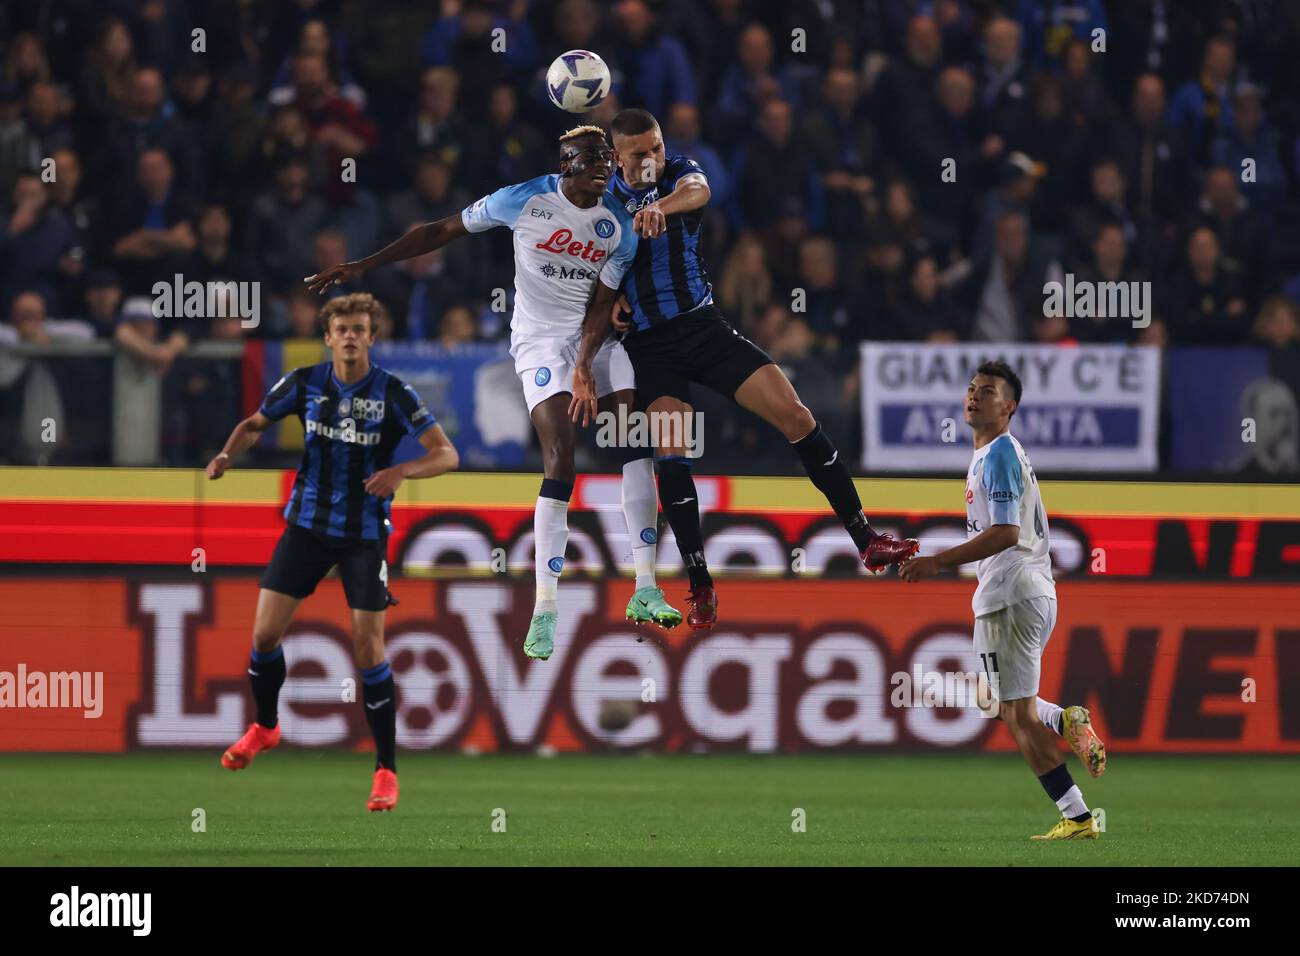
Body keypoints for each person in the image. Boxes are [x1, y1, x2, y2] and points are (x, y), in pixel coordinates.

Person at [305, 126, 682, 662]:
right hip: (538, 344)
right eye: (595, 159)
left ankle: (645, 586)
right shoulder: (524, 199)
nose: (606, 168)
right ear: (568, 161)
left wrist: (584, 365)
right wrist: (364, 264)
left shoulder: (617, 225)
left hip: (592, 341)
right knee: (560, 459)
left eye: (609, 159)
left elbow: (602, 304)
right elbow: (439, 230)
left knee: (634, 438)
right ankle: (545, 607)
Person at [570, 108, 920, 631]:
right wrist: (604, 315)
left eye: (657, 146)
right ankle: (700, 583)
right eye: (640, 152)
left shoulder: (678, 174)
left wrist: (658, 207)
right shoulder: (600, 204)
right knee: (673, 452)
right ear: (618, 158)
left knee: (795, 415)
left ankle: (866, 539)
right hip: (651, 347)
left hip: (704, 327)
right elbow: (592, 278)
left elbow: (700, 192)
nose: (653, 158)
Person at [207, 293, 458, 812]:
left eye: (359, 328)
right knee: (264, 635)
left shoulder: (394, 392)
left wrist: (400, 471)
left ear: (372, 336)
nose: (349, 336)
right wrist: (228, 453)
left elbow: (445, 453)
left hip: (365, 532)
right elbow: (255, 423)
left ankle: (386, 771)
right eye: (341, 328)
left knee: (368, 650)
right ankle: (266, 726)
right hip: (306, 527)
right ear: (327, 337)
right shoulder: (304, 383)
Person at [899, 361, 1107, 840]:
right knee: (995, 700)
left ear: (1009, 406)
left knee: (1015, 715)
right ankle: (1064, 718)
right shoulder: (994, 454)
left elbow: (1007, 532)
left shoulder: (999, 455)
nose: (974, 396)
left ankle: (1077, 817)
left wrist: (938, 562)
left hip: (1010, 596)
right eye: (971, 388)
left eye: (988, 391)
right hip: (1028, 593)